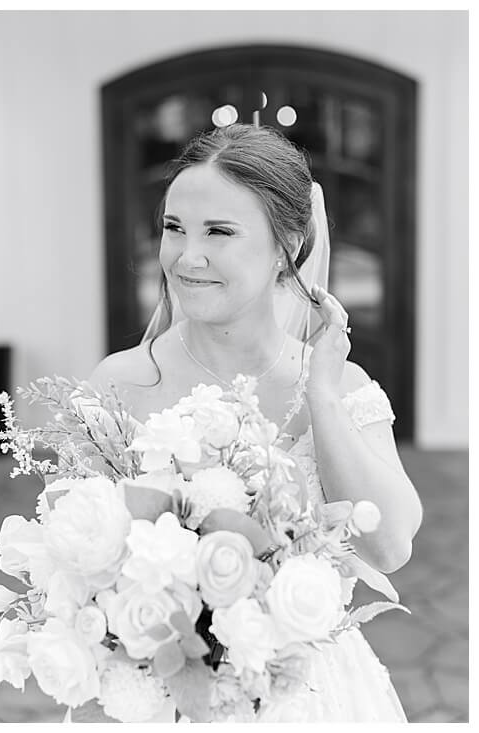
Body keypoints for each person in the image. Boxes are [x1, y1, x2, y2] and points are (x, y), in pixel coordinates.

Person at [90, 124, 422, 721]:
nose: (188, 258)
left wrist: (320, 394)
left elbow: (390, 545)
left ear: (288, 246)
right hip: (170, 694)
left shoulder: (341, 387)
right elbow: (90, 578)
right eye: (174, 229)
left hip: (313, 698)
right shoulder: (119, 385)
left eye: (219, 232)